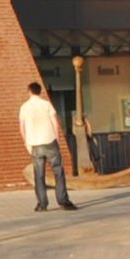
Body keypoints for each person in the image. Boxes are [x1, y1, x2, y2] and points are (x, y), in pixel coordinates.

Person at [20, 81, 77, 212]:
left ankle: (42, 204)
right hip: (50, 141)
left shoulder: (24, 107)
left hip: (34, 144)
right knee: (58, 171)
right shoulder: (46, 105)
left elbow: (22, 128)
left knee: (39, 174)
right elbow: (55, 123)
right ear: (40, 91)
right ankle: (63, 201)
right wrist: (57, 140)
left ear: (29, 91)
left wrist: (26, 142)